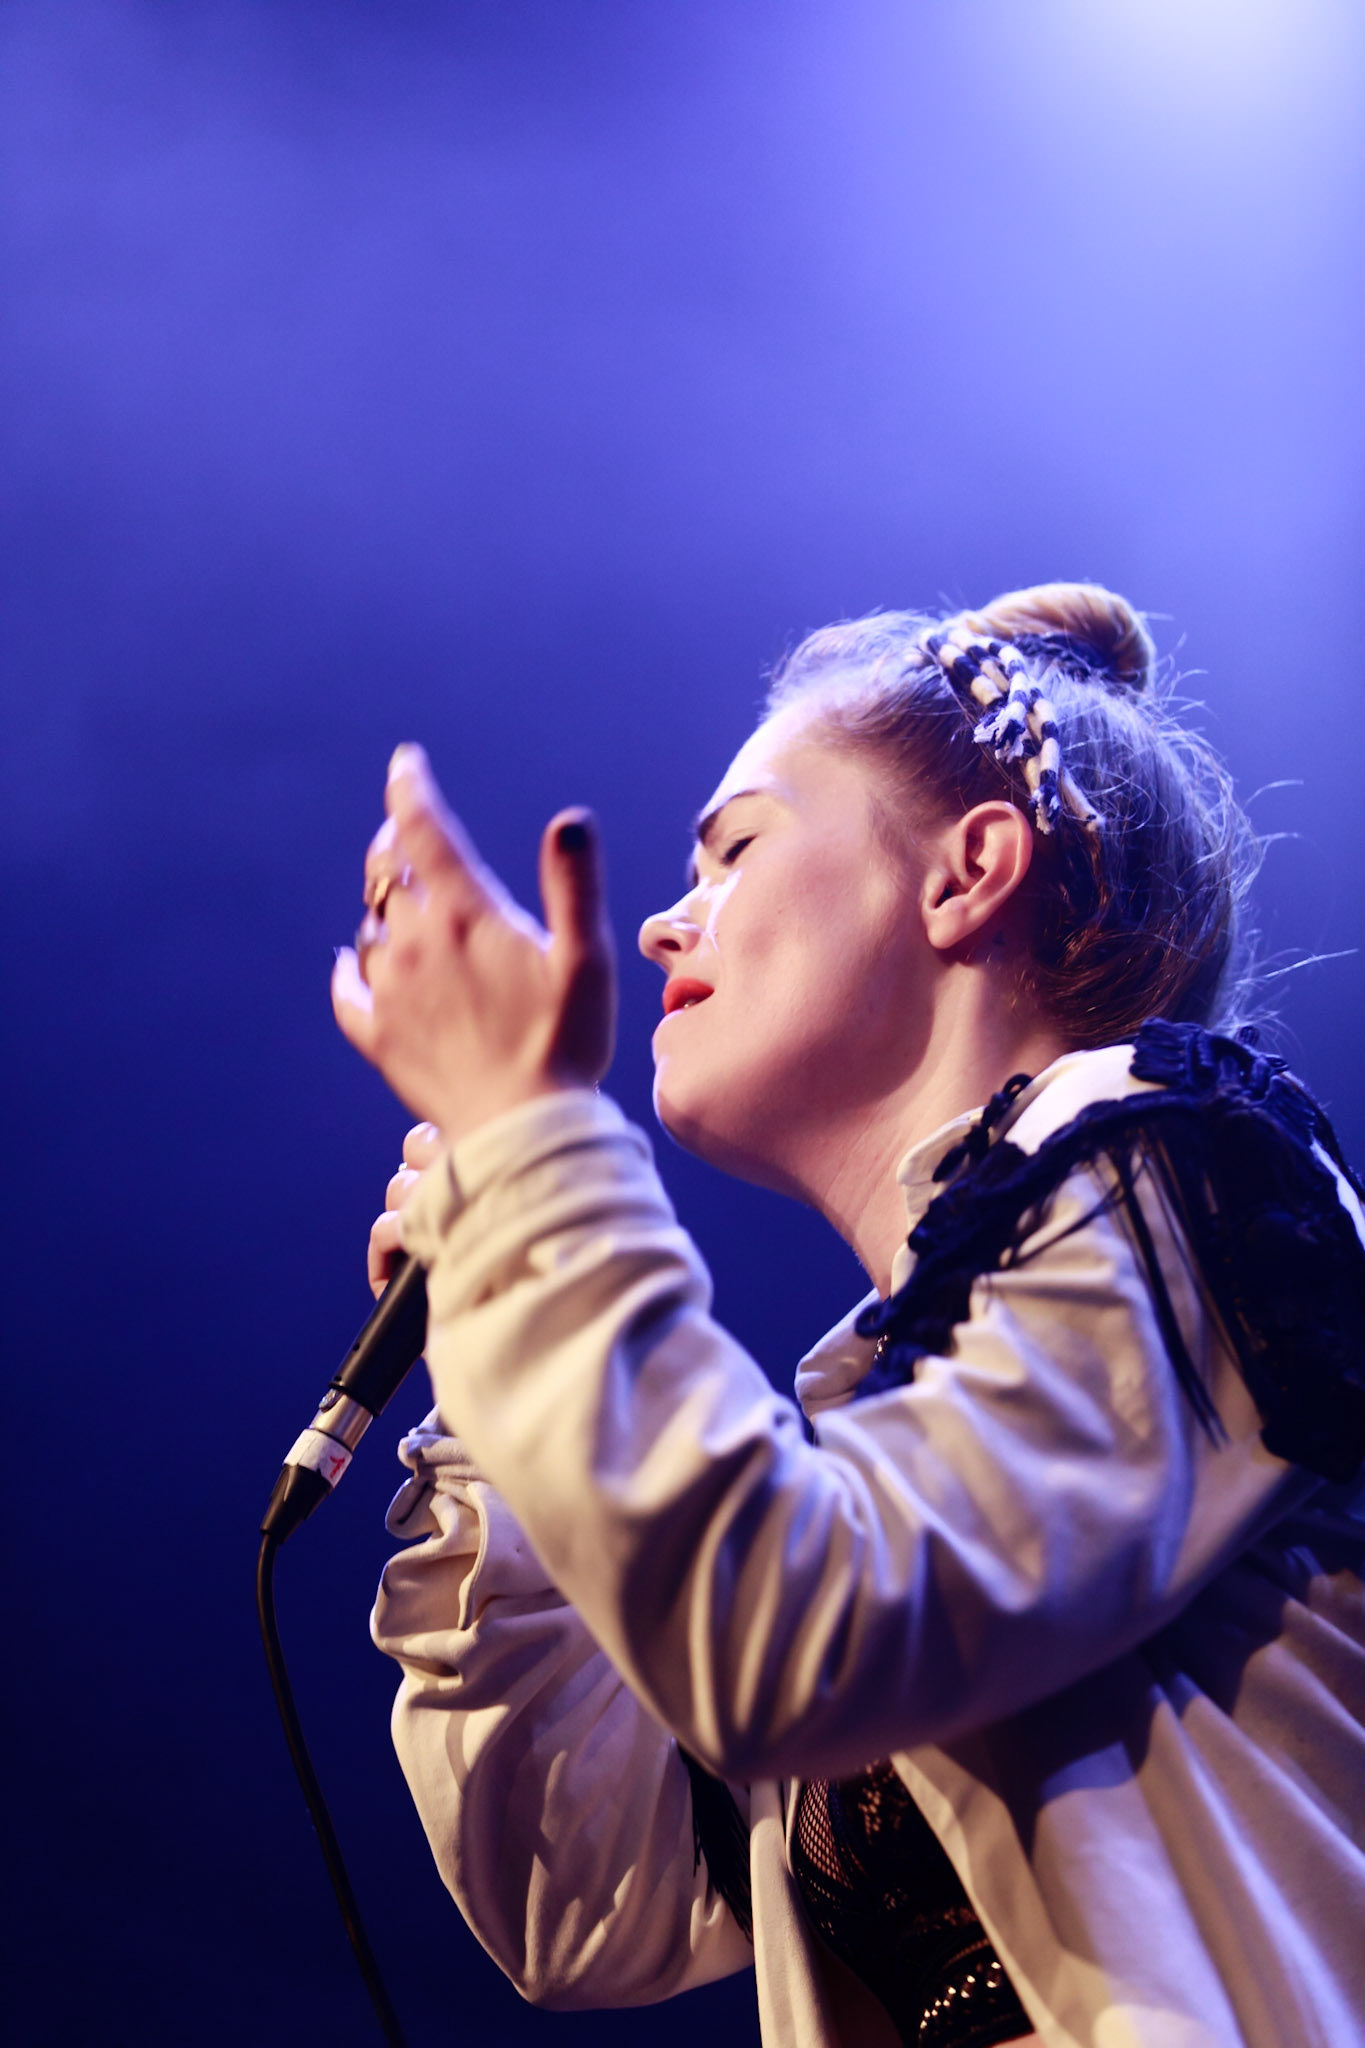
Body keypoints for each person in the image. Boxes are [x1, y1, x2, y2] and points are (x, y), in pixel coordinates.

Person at [332, 582, 1365, 2048]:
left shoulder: (1173, 1158)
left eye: (736, 846)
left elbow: (801, 1635)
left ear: (966, 875)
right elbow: (582, 1898)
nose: (663, 920)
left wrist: (530, 1162)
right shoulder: (877, 1413)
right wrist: (499, 1366)